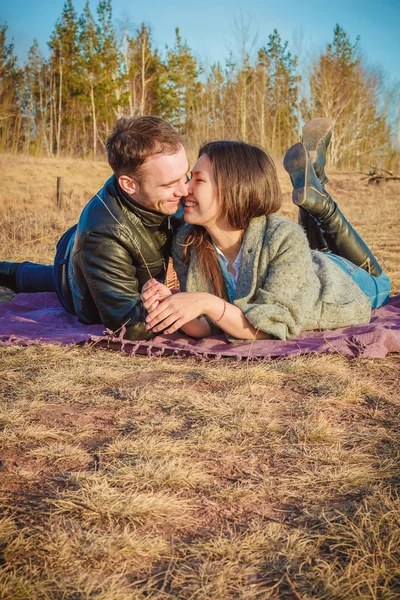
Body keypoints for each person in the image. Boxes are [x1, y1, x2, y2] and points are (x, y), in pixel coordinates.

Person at [141, 119, 391, 341]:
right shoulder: (188, 242)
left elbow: (272, 326)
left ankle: (322, 206)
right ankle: (313, 186)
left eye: (199, 180)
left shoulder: (283, 237)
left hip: (340, 280)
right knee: (304, 243)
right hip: (298, 263)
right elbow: (208, 327)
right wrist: (172, 303)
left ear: (233, 189)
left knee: (383, 282)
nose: (186, 188)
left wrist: (206, 302)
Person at [0, 116, 189, 340]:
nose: (185, 190)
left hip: (95, 247)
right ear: (129, 184)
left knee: (47, 276)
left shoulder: (162, 184)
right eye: (169, 185)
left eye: (184, 175)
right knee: (54, 281)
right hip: (74, 266)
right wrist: (192, 311)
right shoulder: (103, 238)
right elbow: (131, 327)